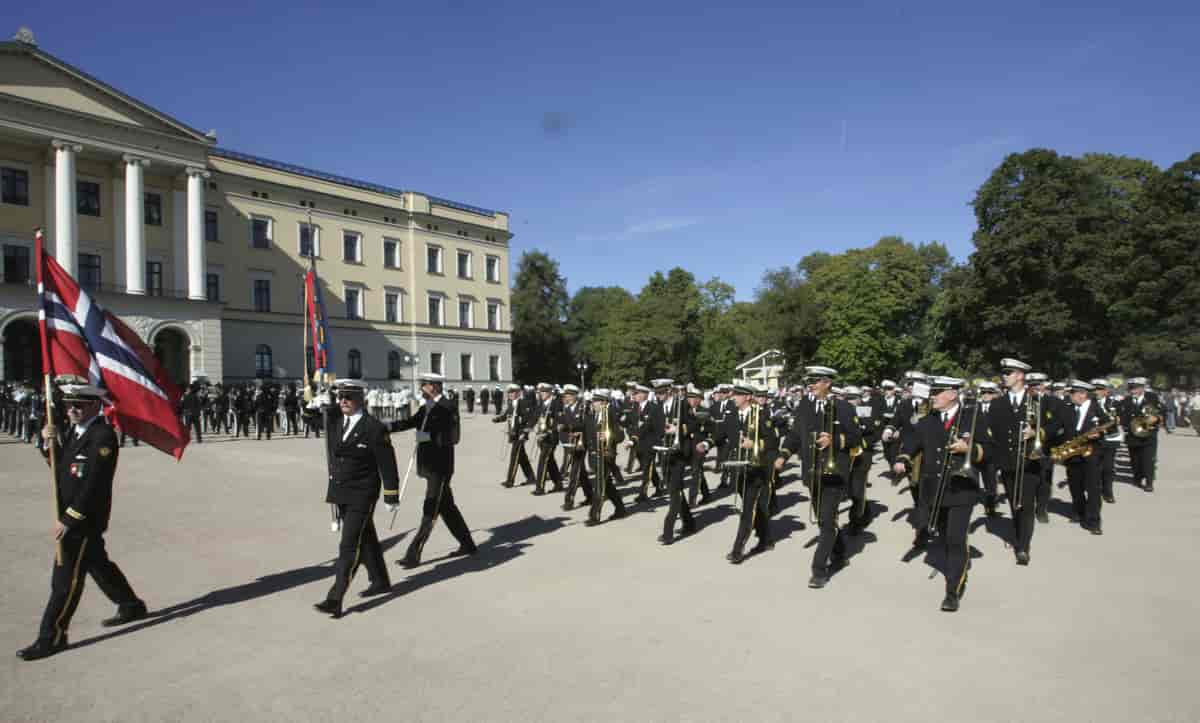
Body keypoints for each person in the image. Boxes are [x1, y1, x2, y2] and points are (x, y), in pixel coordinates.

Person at [17, 379, 148, 660]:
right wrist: (46, 442)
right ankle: (130, 604)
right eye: (68, 405)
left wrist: (70, 519)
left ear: (94, 405)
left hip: (82, 520)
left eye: (78, 405)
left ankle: (51, 636)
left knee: (65, 580)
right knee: (98, 564)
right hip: (72, 515)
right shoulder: (75, 432)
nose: (71, 410)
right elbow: (62, 469)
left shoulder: (102, 436)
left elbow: (93, 485)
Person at [893, 376, 993, 612]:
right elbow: (911, 442)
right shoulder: (928, 420)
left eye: (937, 392)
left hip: (961, 489)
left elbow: (991, 450)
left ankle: (953, 591)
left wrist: (970, 448)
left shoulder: (973, 417)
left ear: (952, 394)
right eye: (932, 392)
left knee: (955, 540)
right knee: (942, 535)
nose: (933, 396)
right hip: (934, 489)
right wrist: (902, 459)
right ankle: (951, 569)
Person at [313, 379, 398, 618]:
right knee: (366, 537)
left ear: (360, 399)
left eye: (348, 397)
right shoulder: (337, 420)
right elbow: (312, 419)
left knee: (349, 545)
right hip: (341, 491)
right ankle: (380, 581)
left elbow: (387, 464)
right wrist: (313, 404)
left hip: (363, 493)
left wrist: (391, 495)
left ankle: (335, 598)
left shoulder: (373, 427)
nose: (343, 401)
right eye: (340, 396)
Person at [777, 367, 861, 587]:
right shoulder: (805, 406)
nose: (810, 385)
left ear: (827, 383)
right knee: (826, 520)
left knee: (825, 521)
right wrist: (783, 455)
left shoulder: (843, 407)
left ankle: (819, 569)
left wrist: (835, 441)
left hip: (834, 474)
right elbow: (795, 434)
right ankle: (840, 554)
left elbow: (856, 438)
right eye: (809, 381)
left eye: (815, 381)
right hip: (812, 473)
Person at [389, 373, 476, 567]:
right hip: (428, 466)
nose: (421, 388)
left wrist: (428, 436)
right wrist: (387, 427)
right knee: (447, 508)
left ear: (434, 387)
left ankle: (413, 553)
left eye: (424, 385)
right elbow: (410, 422)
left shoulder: (448, 407)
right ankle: (468, 544)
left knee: (430, 508)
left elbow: (453, 437)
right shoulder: (425, 407)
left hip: (440, 467)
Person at [703, 382, 779, 564]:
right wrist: (707, 444)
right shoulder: (731, 415)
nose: (733, 397)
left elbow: (772, 441)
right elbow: (720, 434)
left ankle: (738, 549)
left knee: (747, 510)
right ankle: (766, 539)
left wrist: (755, 445)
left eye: (737, 395)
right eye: (733, 394)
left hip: (756, 469)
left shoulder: (760, 414)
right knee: (753, 507)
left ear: (747, 397)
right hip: (738, 467)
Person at [1061, 380, 1111, 534]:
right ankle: (1079, 511)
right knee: (1075, 486)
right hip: (1072, 454)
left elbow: (1111, 426)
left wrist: (1100, 433)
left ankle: (1094, 521)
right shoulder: (1069, 409)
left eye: (1072, 393)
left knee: (1093, 489)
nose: (1070, 396)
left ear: (1082, 394)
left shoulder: (1097, 409)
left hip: (1091, 454)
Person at [584, 389, 627, 525]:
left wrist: (609, 436)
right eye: (593, 401)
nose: (593, 404)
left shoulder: (612, 416)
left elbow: (621, 436)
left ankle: (594, 516)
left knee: (599, 486)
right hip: (594, 456)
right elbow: (586, 434)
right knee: (607, 485)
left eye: (596, 401)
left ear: (604, 402)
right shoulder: (591, 416)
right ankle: (620, 509)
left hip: (606, 456)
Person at [1119, 377, 1161, 492]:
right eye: (1131, 388)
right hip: (1132, 434)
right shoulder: (1126, 400)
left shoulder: (1152, 398)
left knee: (1148, 459)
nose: (1132, 390)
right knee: (1135, 459)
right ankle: (1137, 477)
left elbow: (1161, 412)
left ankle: (1149, 482)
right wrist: (1124, 424)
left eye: (1135, 388)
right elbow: (1122, 415)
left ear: (1142, 388)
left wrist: (1155, 418)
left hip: (1149, 434)